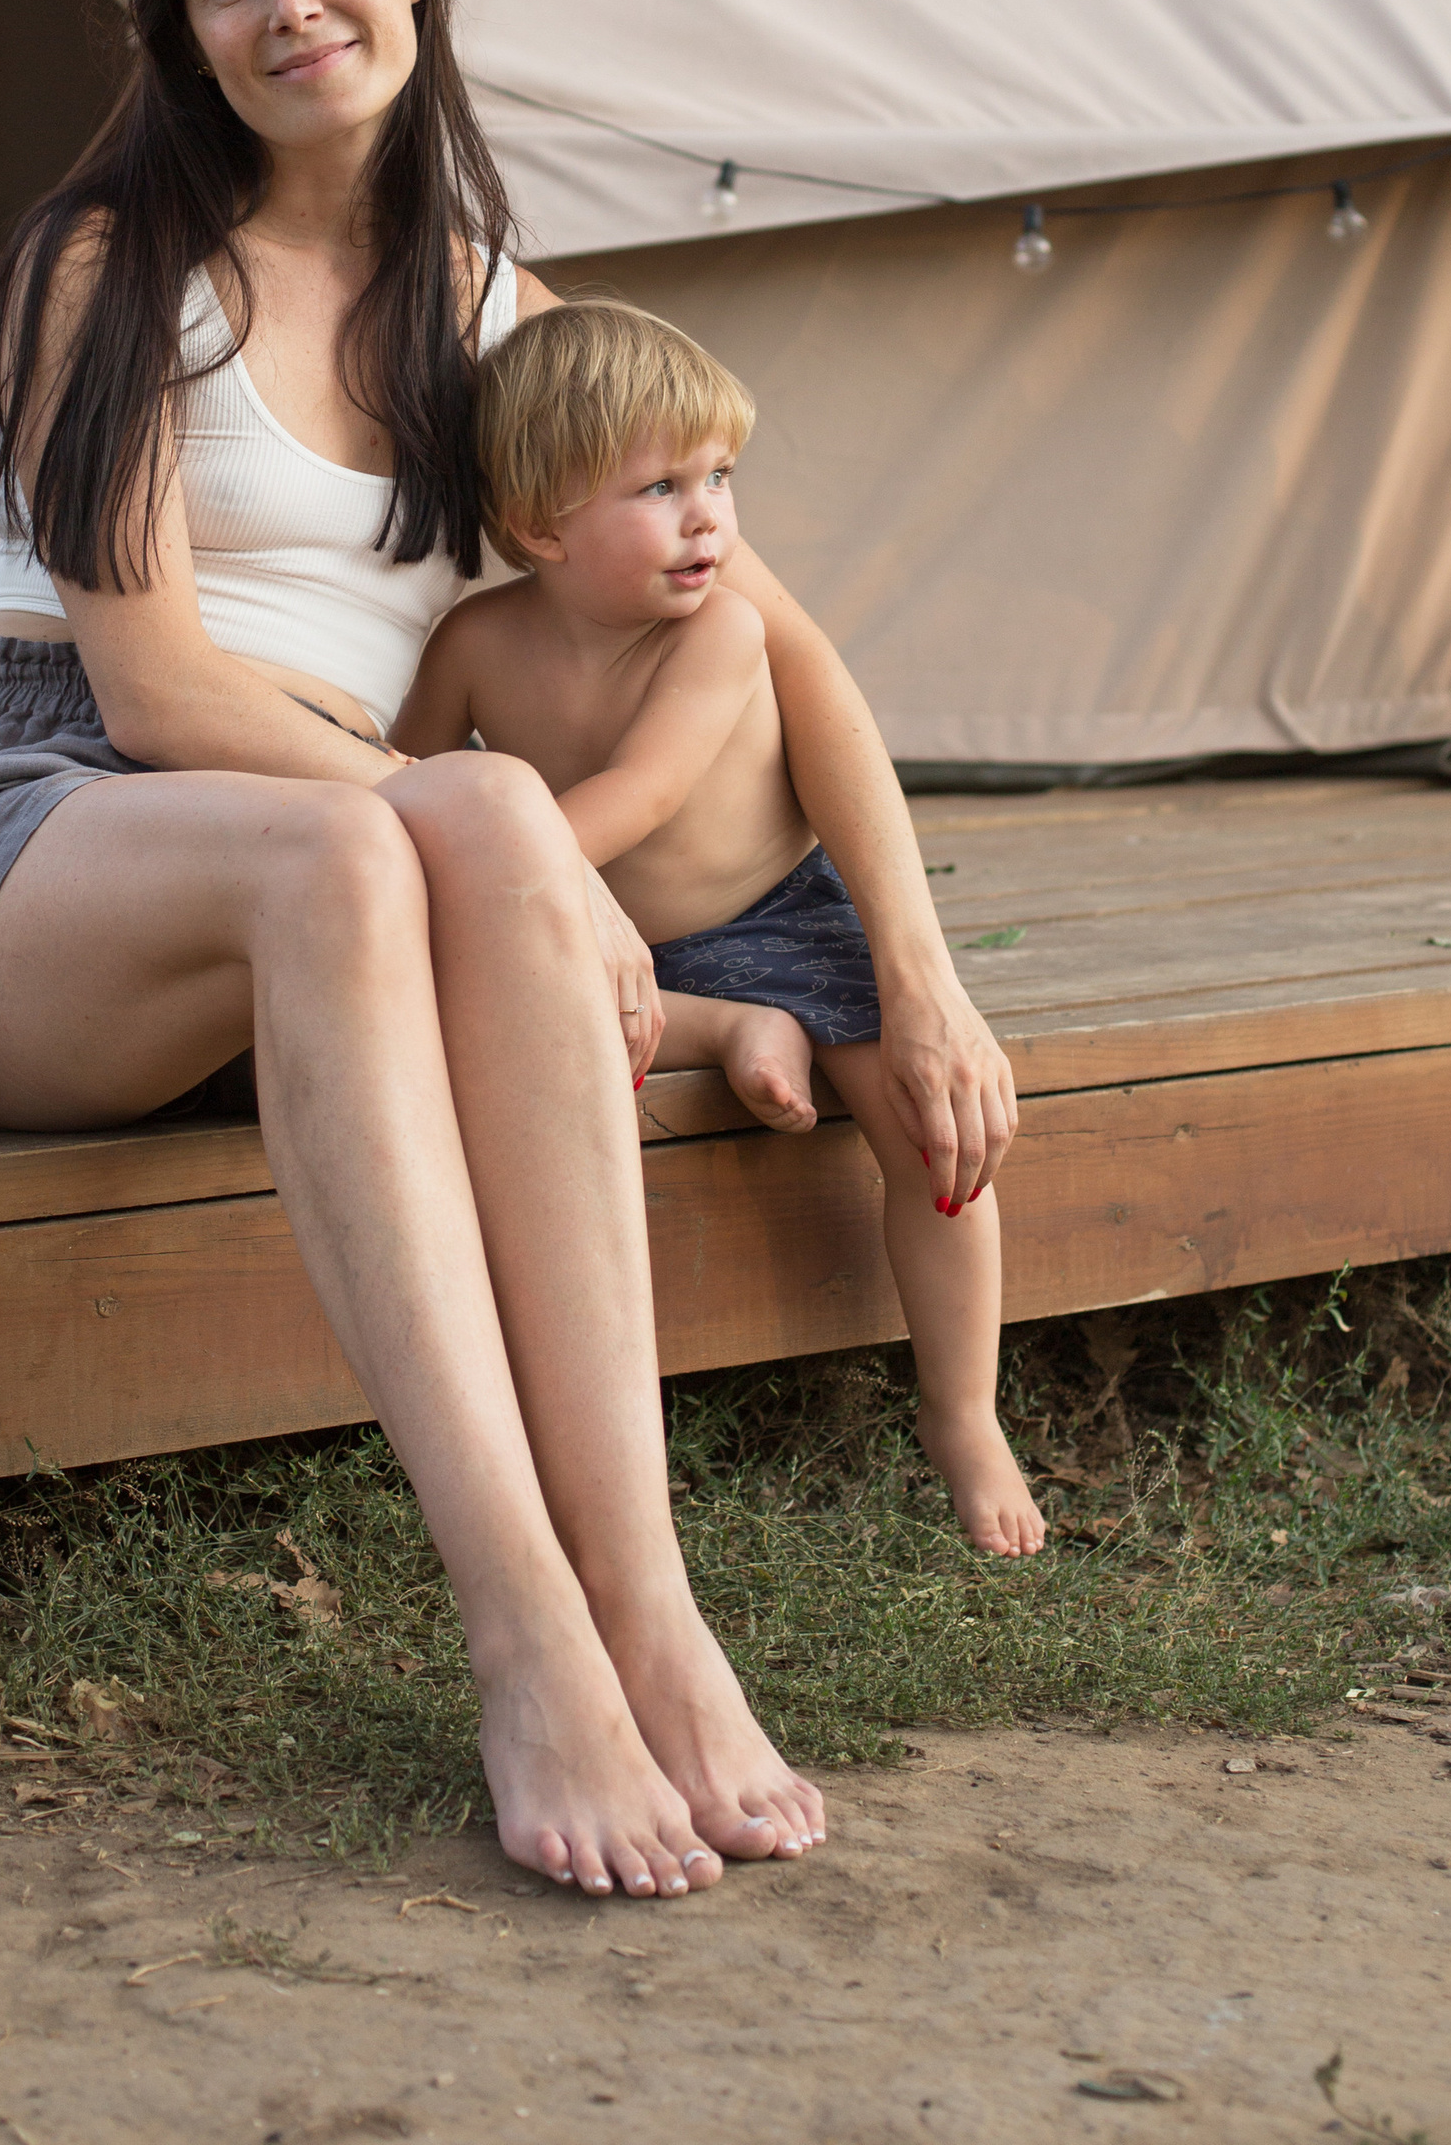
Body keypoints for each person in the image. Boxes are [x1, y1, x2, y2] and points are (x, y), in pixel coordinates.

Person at [0, 0, 1018, 1899]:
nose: (287, 5)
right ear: (178, 33)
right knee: (407, 837)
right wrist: (499, 841)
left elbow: (767, 631)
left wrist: (914, 970)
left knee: (403, 849)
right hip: (28, 834)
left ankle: (649, 1603)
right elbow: (158, 691)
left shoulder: (486, 310)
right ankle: (524, 1631)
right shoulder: (105, 268)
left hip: (339, 878)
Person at [396, 300, 1044, 1559]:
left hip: (778, 915)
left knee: (925, 1130)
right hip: (612, 941)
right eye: (661, 485)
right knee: (484, 1005)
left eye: (720, 476)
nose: (710, 517)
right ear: (541, 526)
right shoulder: (475, 640)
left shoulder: (722, 631)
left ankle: (963, 1413)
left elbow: (639, 794)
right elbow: (404, 774)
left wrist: (489, 854)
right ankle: (736, 1029)